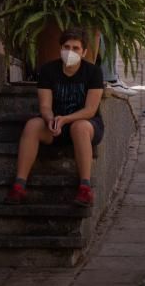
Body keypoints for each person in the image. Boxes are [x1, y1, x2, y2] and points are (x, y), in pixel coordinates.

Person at [6, 28, 104, 206]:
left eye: (76, 48)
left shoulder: (93, 72)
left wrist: (65, 119)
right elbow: (45, 105)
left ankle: (85, 188)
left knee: (79, 127)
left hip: (86, 126)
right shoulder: (48, 71)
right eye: (67, 47)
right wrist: (51, 119)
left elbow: (90, 110)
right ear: (60, 49)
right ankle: (19, 186)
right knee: (32, 126)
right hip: (56, 124)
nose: (70, 52)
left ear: (84, 52)